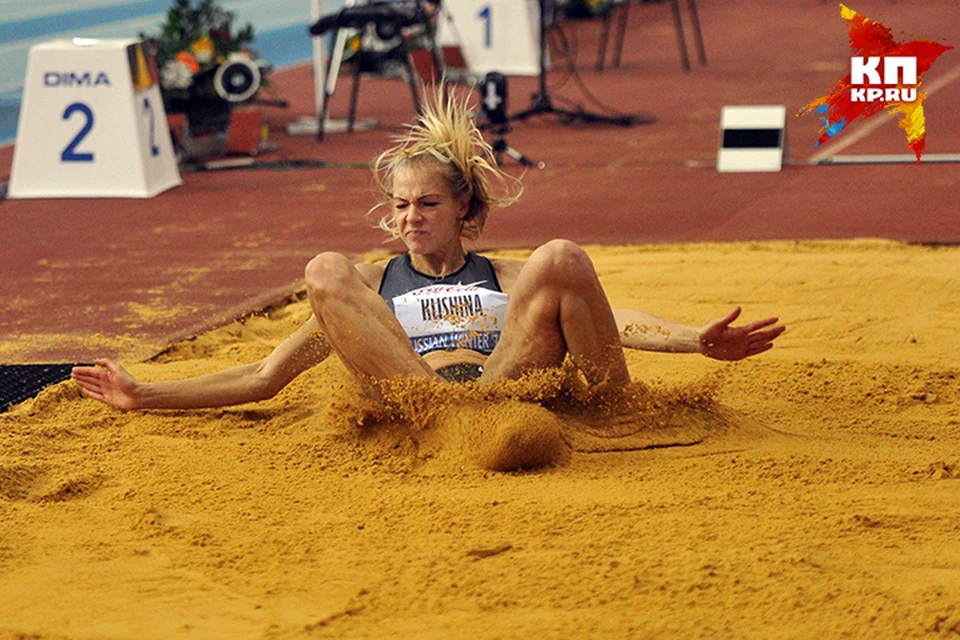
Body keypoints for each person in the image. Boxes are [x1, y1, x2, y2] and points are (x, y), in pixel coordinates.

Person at [71, 89, 785, 413]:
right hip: (420, 403)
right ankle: (457, 430)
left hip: (504, 389)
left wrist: (697, 340)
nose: (409, 219)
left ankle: (599, 422)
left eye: (427, 204)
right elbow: (265, 374)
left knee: (562, 255)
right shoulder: (372, 290)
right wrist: (145, 394)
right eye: (400, 205)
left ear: (464, 209)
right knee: (325, 268)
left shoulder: (503, 274)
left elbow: (614, 317)